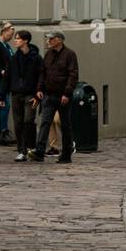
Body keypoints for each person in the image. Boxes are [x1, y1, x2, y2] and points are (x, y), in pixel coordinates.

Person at [31, 30, 78, 163]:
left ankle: (66, 153)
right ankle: (39, 151)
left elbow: (73, 75)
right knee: (45, 122)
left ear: (59, 40)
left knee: (65, 125)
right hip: (49, 94)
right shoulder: (48, 55)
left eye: (51, 39)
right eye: (48, 39)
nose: (48, 41)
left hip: (62, 95)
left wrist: (67, 93)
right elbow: (42, 73)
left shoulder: (70, 54)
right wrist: (39, 89)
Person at [7, 30, 43, 161]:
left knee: (28, 121)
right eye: (15, 38)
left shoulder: (36, 58)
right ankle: (22, 151)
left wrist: (38, 93)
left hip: (30, 94)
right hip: (16, 94)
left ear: (25, 41)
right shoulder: (13, 58)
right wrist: (1, 95)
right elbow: (7, 77)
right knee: (18, 123)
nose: (15, 41)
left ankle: (31, 147)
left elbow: (41, 76)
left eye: (18, 39)